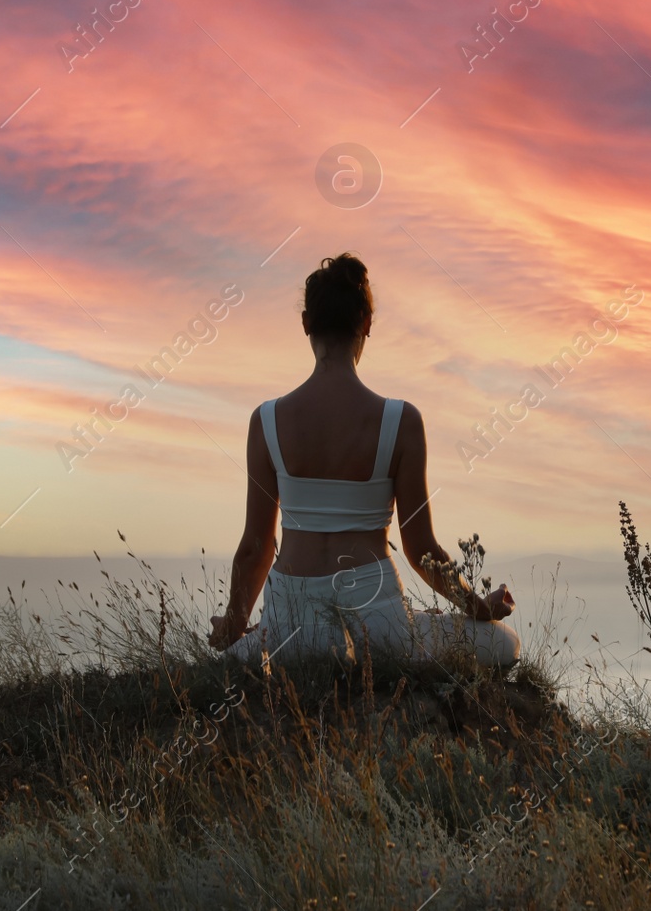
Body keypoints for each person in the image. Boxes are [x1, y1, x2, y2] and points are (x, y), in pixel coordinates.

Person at [208, 253, 520, 669]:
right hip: (380, 628)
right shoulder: (401, 421)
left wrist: (233, 625)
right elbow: (420, 549)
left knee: (249, 654)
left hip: (292, 629)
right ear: (367, 325)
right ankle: (393, 644)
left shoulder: (265, 421)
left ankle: (259, 646)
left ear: (306, 324)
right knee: (505, 644)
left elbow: (255, 549)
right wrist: (478, 606)